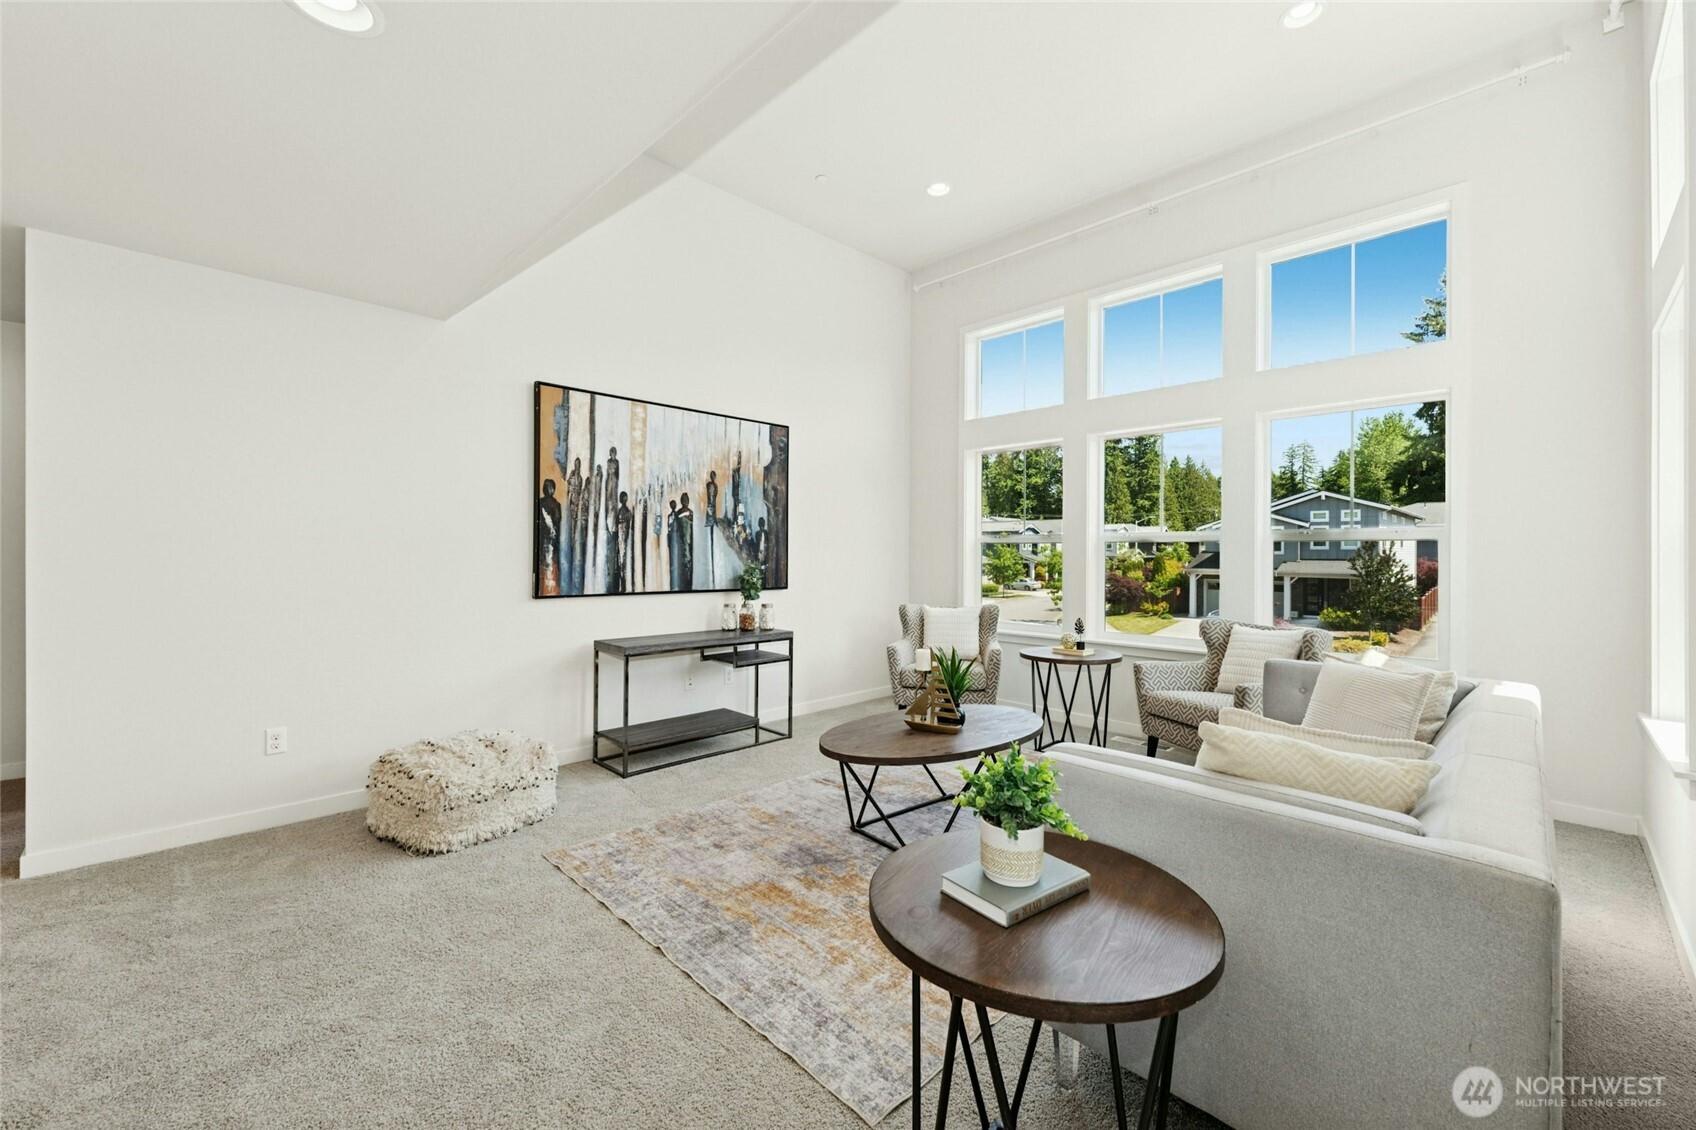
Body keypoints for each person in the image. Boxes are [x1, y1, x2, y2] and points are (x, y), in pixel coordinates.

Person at [536, 479, 561, 595]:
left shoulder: (539, 502)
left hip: (542, 541)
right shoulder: (556, 504)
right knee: (551, 568)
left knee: (543, 567)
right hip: (552, 542)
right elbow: (557, 523)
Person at [675, 492, 695, 591]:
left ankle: (686, 583)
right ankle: (685, 583)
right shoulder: (682, 513)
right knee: (685, 561)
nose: (685, 502)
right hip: (684, 541)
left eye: (686, 500)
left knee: (686, 561)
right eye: (684, 500)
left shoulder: (686, 513)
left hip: (687, 541)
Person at [704, 470, 720, 586]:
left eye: (714, 476)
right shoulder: (710, 485)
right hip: (711, 507)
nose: (713, 477)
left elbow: (713, 496)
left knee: (712, 523)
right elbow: (711, 496)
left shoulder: (713, 485)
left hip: (712, 507)